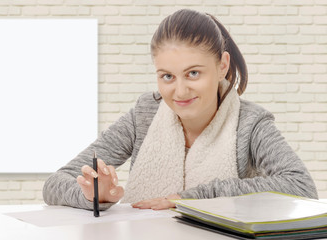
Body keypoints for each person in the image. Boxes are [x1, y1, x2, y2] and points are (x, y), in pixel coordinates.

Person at [43, 9, 318, 211]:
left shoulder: (251, 123)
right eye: (167, 77)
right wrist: (97, 196)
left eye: (193, 73)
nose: (180, 91)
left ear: (222, 65)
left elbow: (301, 187)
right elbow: (56, 183)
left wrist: (190, 198)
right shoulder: (144, 115)